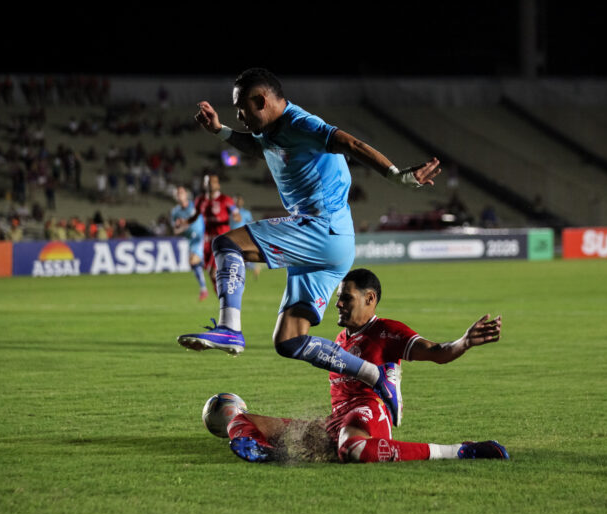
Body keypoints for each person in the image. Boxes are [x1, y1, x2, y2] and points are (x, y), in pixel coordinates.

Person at [177, 68, 441, 426]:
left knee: (227, 243)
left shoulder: (301, 123)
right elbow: (258, 147)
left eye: (242, 110)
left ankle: (230, 327)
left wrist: (397, 176)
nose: (239, 116)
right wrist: (222, 131)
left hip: (320, 226)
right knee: (290, 341)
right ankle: (377, 377)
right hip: (334, 241)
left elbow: (351, 144)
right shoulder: (271, 132)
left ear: (261, 101)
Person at [218, 268, 507, 463]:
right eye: (339, 297)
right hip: (336, 421)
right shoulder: (340, 339)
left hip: (367, 416)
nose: (338, 304)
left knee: (352, 450)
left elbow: (437, 351)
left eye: (346, 298)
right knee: (241, 420)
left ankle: (459, 451)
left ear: (370, 299)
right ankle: (265, 452)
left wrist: (464, 342)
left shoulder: (387, 331)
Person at [183, 173, 238, 290]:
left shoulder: (225, 200)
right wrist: (186, 222)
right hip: (207, 240)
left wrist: (236, 216)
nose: (210, 185)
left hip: (221, 238)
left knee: (213, 272)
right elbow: (195, 215)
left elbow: (235, 212)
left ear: (218, 185)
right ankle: (223, 298)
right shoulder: (200, 200)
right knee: (210, 273)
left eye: (213, 182)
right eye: (208, 182)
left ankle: (227, 297)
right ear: (204, 184)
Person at [171, 185, 209, 301]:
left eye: (182, 192)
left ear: (186, 194)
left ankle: (204, 289)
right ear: (175, 197)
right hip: (191, 240)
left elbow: (206, 216)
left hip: (201, 237)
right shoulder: (175, 212)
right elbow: (175, 230)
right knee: (194, 263)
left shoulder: (195, 205)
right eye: (178, 193)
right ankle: (204, 288)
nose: (180, 195)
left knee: (193, 260)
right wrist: (181, 226)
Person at [229, 195, 260, 280]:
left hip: (242, 237)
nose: (238, 202)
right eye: (236, 200)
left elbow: (251, 224)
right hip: (231, 237)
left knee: (239, 256)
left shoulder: (246, 213)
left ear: (242, 202)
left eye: (239, 200)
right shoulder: (230, 211)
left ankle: (244, 272)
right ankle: (252, 268)